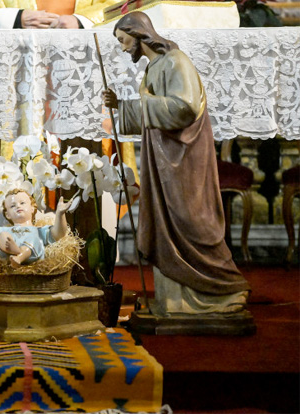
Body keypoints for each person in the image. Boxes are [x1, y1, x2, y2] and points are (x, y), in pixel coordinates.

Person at [103, 11, 250, 316]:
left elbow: (185, 107)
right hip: (165, 158)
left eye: (123, 40)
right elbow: (157, 110)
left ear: (138, 34)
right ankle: (175, 302)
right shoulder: (154, 66)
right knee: (166, 224)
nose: (122, 47)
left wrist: (137, 104)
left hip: (185, 159)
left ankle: (225, 289)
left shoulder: (175, 61)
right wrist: (122, 107)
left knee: (192, 221)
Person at [0, 189, 71, 268]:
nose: (18, 206)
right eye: (12, 206)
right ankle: (16, 252)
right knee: (2, 235)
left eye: (22, 203)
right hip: (8, 257)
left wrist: (60, 214)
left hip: (32, 256)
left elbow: (59, 233)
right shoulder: (6, 230)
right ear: (7, 214)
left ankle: (19, 256)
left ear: (32, 208)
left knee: (33, 237)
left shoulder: (38, 230)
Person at [0, 0, 122, 29]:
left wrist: (81, 21)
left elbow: (121, 5)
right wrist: (17, 18)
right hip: (21, 63)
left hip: (81, 62)